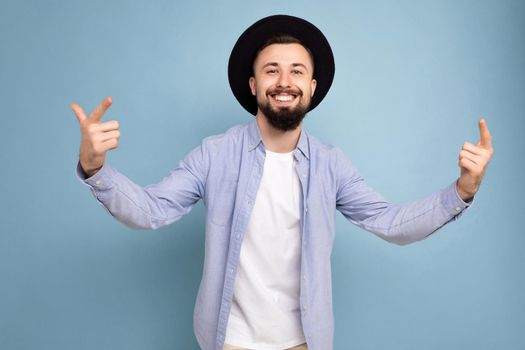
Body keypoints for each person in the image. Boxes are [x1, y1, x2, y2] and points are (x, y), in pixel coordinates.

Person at [71, 15, 493, 350]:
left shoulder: (331, 164)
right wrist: (97, 170)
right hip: (229, 340)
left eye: (296, 71)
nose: (284, 81)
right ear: (254, 85)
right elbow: (152, 210)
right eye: (271, 70)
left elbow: (390, 222)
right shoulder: (215, 153)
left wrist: (462, 192)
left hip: (304, 342)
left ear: (311, 87)